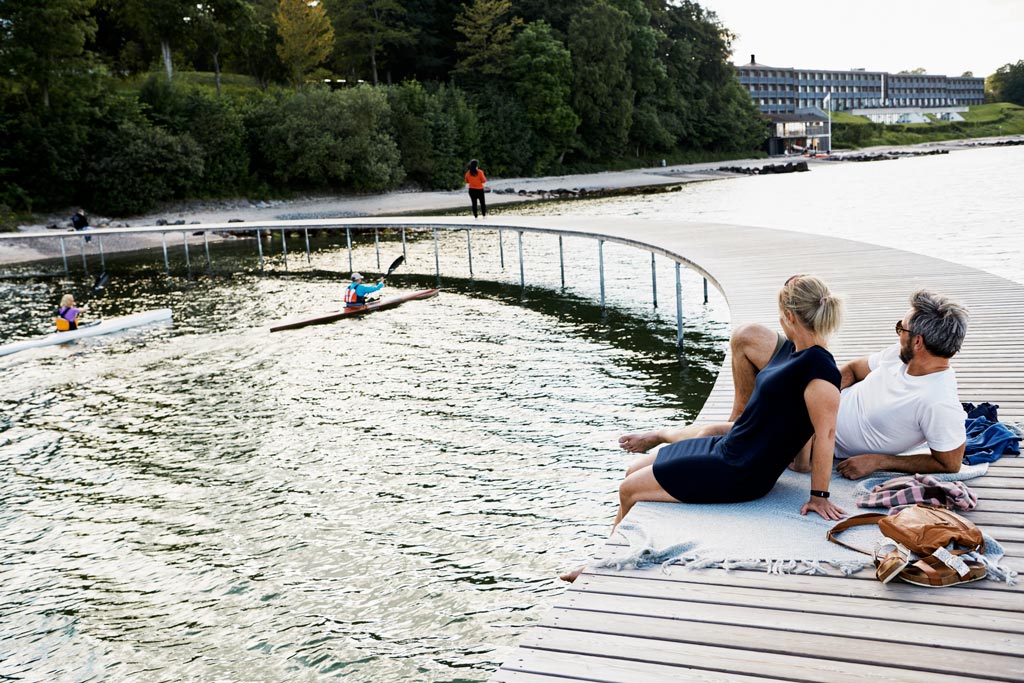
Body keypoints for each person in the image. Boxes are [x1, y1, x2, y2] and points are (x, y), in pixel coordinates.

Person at [562, 275, 846, 582]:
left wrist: (819, 495)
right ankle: (612, 551)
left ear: (789, 316)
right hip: (727, 448)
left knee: (629, 489)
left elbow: (826, 435)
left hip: (740, 471)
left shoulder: (819, 372)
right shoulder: (793, 350)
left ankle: (601, 565)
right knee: (633, 470)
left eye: (780, 314)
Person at [620, 289, 969, 481]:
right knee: (748, 336)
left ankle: (666, 435)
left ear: (918, 341)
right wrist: (816, 387)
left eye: (901, 328)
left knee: (712, 432)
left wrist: (878, 461)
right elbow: (851, 369)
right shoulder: (901, 355)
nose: (897, 332)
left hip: (815, 437)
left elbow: (949, 464)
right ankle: (740, 418)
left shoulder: (938, 402)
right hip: (818, 401)